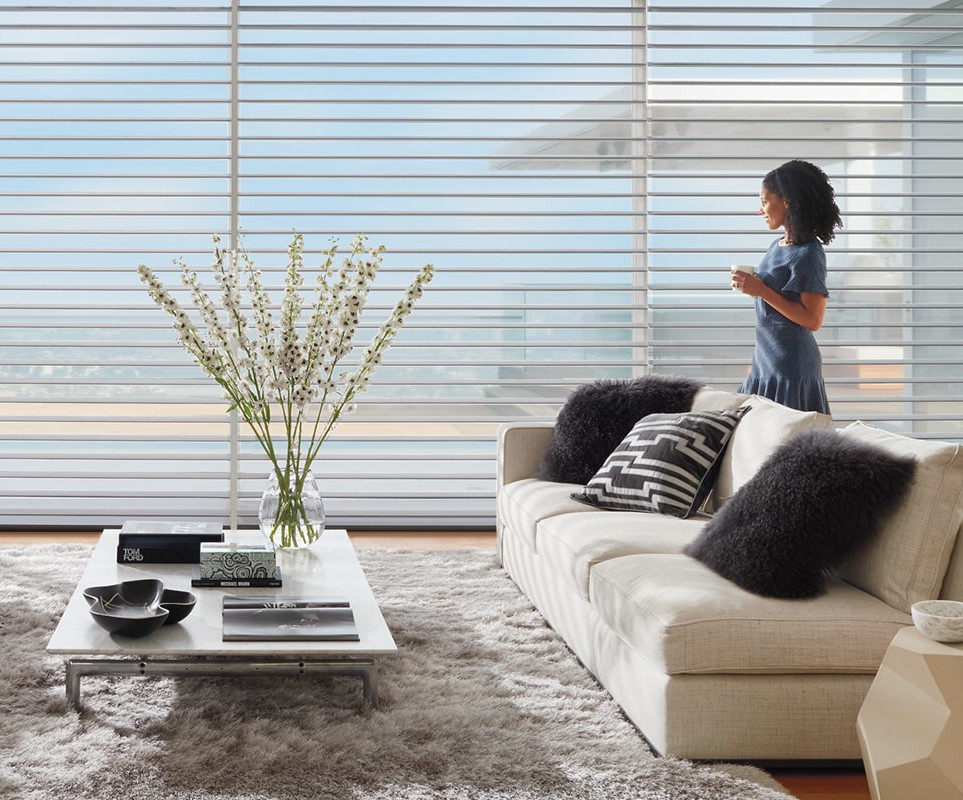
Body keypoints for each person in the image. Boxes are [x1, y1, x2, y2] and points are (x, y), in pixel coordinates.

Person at [731, 159, 842, 414]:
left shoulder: (809, 253)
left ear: (786, 201)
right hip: (765, 361)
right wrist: (754, 287)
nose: (761, 210)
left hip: (791, 366)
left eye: (764, 201)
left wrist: (761, 290)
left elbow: (813, 319)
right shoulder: (776, 246)